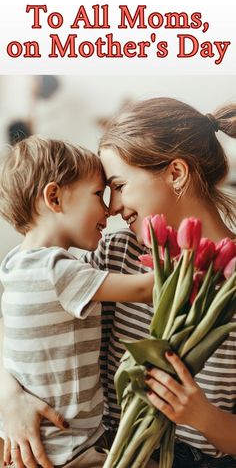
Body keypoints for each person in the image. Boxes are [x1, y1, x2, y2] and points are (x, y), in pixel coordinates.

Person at [0, 97, 236, 468]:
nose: (111, 207)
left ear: (176, 173)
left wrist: (201, 415)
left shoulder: (231, 277)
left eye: (120, 185)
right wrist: (9, 397)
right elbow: (25, 318)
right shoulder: (117, 252)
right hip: (104, 450)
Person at [0, 136, 154, 468]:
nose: (108, 210)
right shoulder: (57, 270)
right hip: (69, 447)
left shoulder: (15, 264)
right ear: (54, 197)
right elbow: (144, 290)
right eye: (99, 194)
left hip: (40, 443)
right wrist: (196, 259)